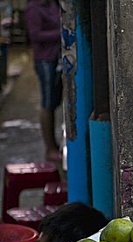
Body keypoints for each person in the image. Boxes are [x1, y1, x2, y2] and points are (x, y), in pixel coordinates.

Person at [25, 0, 63, 162]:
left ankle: (54, 144)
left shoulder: (52, 4)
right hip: (45, 60)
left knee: (54, 101)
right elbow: (35, 35)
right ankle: (50, 148)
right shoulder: (34, 8)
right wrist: (60, 33)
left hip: (56, 58)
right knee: (47, 103)